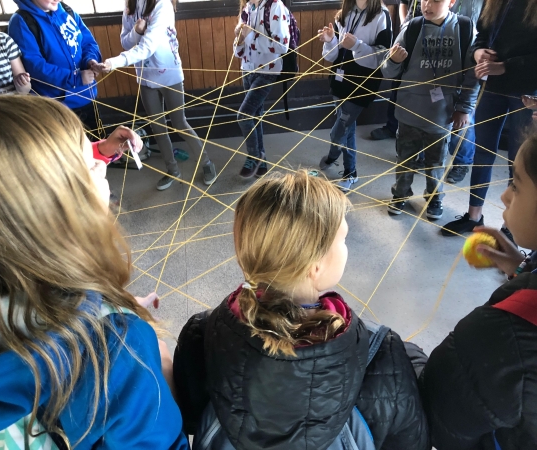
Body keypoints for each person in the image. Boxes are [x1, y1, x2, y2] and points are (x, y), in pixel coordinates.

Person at [0, 95, 188, 449]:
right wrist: (164, 379)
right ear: (56, 208)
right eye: (89, 165)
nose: (101, 167)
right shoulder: (118, 348)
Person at [173, 171, 429, 450]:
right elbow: (410, 441)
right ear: (315, 265)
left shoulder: (201, 334)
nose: (346, 248)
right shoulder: (381, 352)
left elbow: (189, 416)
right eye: (343, 239)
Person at [420, 129, 537, 449]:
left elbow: (439, 413)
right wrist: (524, 268)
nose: (504, 196)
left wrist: (394, 350)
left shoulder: (500, 334)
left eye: (515, 182)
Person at [97, 0, 218, 191]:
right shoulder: (130, 6)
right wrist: (136, 30)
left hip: (170, 75)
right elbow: (125, 41)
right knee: (158, 127)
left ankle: (206, 163)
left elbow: (148, 47)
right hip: (145, 79)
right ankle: (172, 170)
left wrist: (115, 62)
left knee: (180, 124)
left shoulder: (163, 5)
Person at [442, 0, 537, 236]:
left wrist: (507, 66)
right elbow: (482, 34)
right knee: (482, 152)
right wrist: (478, 52)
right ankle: (474, 216)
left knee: (519, 160)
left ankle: (510, 228)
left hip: (526, 89)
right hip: (492, 87)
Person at [382, 0, 479, 220]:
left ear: (452, 2)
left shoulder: (464, 29)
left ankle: (434, 197)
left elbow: (473, 76)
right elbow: (387, 71)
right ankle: (400, 193)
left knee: (436, 163)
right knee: (404, 159)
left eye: (435, 0)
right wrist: (394, 61)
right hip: (408, 112)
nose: (427, 5)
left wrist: (465, 108)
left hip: (441, 115)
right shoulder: (412, 27)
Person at [317, 0, 392, 190]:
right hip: (339, 79)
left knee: (341, 128)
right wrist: (330, 41)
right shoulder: (344, 13)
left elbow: (381, 58)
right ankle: (351, 172)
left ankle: (334, 155)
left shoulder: (382, 16)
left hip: (362, 84)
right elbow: (332, 56)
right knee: (347, 128)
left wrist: (356, 45)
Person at [8, 0, 102, 136]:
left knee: (97, 147)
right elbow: (35, 66)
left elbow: (88, 43)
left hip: (87, 96)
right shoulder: (21, 21)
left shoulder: (67, 10)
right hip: (56, 106)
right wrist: (75, 78)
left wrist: (90, 60)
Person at [232, 0, 290, 178]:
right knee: (255, 116)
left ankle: (254, 155)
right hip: (247, 69)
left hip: (267, 70)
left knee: (244, 115)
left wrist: (249, 37)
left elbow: (282, 45)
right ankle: (262, 163)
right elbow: (238, 52)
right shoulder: (247, 8)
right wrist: (240, 39)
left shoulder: (275, 6)